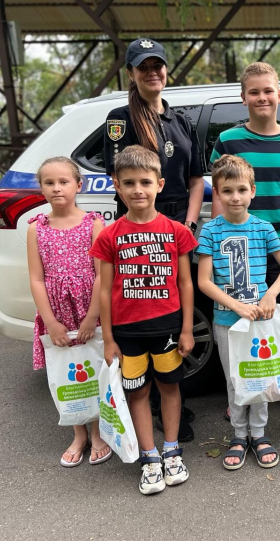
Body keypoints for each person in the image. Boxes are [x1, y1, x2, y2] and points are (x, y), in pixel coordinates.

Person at [104, 37, 204, 436]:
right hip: (139, 229)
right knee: (143, 307)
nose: (152, 72)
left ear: (166, 70)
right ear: (131, 73)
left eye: (157, 65)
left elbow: (196, 178)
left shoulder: (181, 121)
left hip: (178, 225)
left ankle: (174, 403)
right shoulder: (119, 117)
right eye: (143, 66)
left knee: (178, 308)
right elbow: (124, 180)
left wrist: (189, 225)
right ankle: (147, 409)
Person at [210, 62, 280, 419]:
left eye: (268, 90)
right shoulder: (227, 141)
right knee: (241, 322)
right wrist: (215, 247)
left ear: (279, 95)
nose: (262, 97)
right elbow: (217, 199)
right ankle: (242, 389)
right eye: (254, 92)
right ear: (243, 98)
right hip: (240, 249)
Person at [90, 146, 197, 495]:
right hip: (127, 333)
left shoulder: (176, 231)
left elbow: (185, 282)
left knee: (169, 387)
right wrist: (108, 339)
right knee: (137, 393)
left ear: (160, 184)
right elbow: (105, 290)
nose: (138, 189)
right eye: (129, 183)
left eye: (145, 182)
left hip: (167, 328)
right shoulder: (109, 236)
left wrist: (185, 329)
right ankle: (149, 457)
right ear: (117, 187)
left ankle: (171, 450)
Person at [197, 154, 280, 470]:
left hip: (261, 321)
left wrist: (270, 295)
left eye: (241, 190)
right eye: (227, 191)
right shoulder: (210, 231)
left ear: (253, 191)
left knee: (260, 376)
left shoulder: (263, 228)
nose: (235, 197)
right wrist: (236, 306)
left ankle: (259, 434)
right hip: (227, 321)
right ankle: (239, 435)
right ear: (217, 192)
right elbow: (204, 281)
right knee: (235, 380)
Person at [27, 157, 112, 467]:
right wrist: (50, 321)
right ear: (41, 188)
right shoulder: (37, 228)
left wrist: (92, 316)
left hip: (90, 307)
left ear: (79, 185)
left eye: (63, 182)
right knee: (68, 371)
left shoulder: (93, 223)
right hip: (58, 313)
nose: (56, 188)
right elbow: (36, 278)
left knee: (93, 368)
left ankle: (98, 429)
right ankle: (79, 433)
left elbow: (102, 274)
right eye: (49, 183)